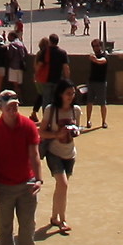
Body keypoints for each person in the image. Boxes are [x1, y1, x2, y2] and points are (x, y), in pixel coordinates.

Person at [0, 90, 47, 245]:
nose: (13, 109)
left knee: (28, 223)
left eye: (16, 105)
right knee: (5, 224)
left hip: (26, 183)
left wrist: (39, 179)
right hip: (3, 184)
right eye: (9, 106)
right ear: (1, 107)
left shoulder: (28, 126)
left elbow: (34, 155)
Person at [40, 81, 81, 234]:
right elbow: (41, 132)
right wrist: (57, 134)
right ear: (60, 94)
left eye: (73, 93)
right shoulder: (51, 110)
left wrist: (75, 131)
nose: (71, 96)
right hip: (54, 152)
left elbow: (78, 129)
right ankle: (62, 220)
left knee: (61, 187)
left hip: (70, 153)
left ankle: (54, 216)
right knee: (63, 184)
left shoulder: (76, 110)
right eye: (68, 93)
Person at [83, 38, 111, 129]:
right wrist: (94, 59)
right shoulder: (93, 56)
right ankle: (88, 121)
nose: (96, 47)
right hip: (92, 81)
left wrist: (95, 60)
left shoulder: (105, 55)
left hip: (101, 82)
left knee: (102, 103)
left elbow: (102, 61)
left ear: (101, 46)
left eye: (98, 45)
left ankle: (103, 121)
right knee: (89, 102)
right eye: (94, 46)